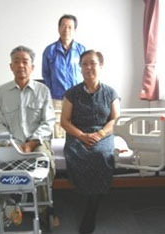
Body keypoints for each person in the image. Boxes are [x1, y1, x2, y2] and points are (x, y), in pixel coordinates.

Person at [0, 45, 57, 227]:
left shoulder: (43, 91)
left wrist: (31, 143)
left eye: (25, 61)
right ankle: (7, 205)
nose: (21, 66)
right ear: (11, 66)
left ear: (32, 67)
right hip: (9, 143)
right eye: (16, 62)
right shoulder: (0, 93)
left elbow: (49, 121)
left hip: (36, 142)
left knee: (45, 161)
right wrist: (11, 143)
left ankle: (44, 210)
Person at [61, 50, 120, 234]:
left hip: (102, 133)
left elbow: (114, 119)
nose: (88, 67)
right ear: (80, 68)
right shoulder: (72, 93)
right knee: (78, 155)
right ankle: (87, 196)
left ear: (100, 66)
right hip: (77, 134)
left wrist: (100, 134)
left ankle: (91, 207)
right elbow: (64, 121)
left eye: (92, 63)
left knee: (101, 155)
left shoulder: (110, 92)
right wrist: (81, 136)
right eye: (84, 64)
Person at [42, 14, 86, 138]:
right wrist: (51, 93)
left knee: (77, 130)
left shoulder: (81, 50)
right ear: (58, 28)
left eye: (69, 27)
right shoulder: (49, 50)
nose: (66, 30)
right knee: (58, 132)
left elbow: (86, 73)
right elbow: (46, 75)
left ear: (74, 30)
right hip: (57, 99)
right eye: (63, 26)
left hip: (78, 99)